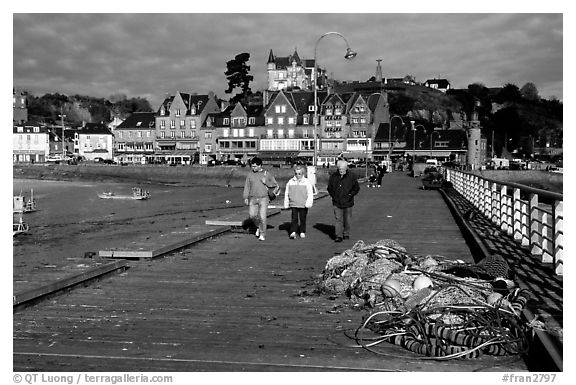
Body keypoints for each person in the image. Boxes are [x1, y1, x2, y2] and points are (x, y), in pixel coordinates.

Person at [243, 157, 278, 241]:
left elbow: (275, 184)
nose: (253, 168)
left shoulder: (267, 174)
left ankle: (262, 234)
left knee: (262, 217)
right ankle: (259, 226)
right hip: (253, 198)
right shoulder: (250, 175)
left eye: (254, 166)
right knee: (252, 216)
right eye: (252, 166)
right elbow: (247, 187)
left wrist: (266, 181)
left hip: (264, 198)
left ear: (260, 166)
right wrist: (245, 197)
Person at [327, 160, 360, 242]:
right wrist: (333, 196)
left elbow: (356, 188)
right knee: (338, 219)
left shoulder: (351, 176)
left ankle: (346, 233)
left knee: (347, 219)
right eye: (340, 170)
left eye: (343, 170)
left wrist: (350, 195)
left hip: (348, 202)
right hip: (337, 202)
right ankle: (338, 235)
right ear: (338, 169)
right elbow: (329, 188)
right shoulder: (333, 177)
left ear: (346, 169)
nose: (342, 172)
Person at [283, 164, 314, 239]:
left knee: (302, 218)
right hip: (294, 203)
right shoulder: (290, 182)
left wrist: (308, 203)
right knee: (294, 218)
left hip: (303, 204)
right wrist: (286, 203)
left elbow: (310, 193)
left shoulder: (306, 182)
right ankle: (293, 231)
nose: (297, 175)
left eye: (299, 174)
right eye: (296, 174)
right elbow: (287, 193)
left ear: (302, 174)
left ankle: (302, 231)